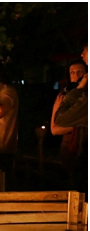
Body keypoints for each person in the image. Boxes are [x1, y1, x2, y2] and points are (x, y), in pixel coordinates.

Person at [51, 52, 88, 193]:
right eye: (72, 72)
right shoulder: (65, 96)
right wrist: (78, 122)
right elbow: (55, 128)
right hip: (70, 147)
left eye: (80, 71)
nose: (76, 75)